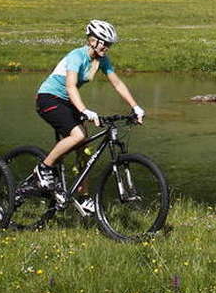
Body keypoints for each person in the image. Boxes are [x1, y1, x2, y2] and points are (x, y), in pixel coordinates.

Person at [30, 19, 144, 210]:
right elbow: (70, 86)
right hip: (48, 98)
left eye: (109, 44)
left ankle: (82, 197)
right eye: (105, 43)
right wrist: (84, 110)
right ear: (93, 40)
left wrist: (135, 106)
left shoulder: (101, 60)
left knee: (84, 149)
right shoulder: (77, 56)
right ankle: (43, 168)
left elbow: (117, 84)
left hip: (67, 101)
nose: (107, 47)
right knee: (79, 135)